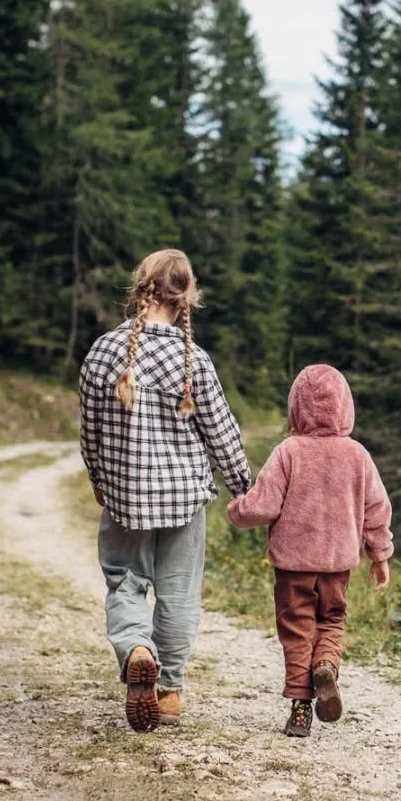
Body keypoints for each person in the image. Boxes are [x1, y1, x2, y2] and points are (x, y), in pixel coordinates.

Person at [78, 249, 251, 732]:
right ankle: (169, 692)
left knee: (125, 582)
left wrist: (99, 478)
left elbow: (89, 429)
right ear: (187, 297)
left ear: (140, 287)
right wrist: (244, 487)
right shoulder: (192, 360)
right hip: (184, 500)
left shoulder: (103, 352)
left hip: (124, 498)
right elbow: (221, 433)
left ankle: (136, 648)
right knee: (179, 594)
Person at [227, 364, 393, 737]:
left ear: (295, 408)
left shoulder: (288, 452)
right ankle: (327, 667)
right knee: (331, 620)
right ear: (345, 407)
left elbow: (262, 506)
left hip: (293, 567)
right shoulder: (358, 455)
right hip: (338, 563)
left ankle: (300, 709)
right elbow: (376, 509)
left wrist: (236, 510)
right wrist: (379, 554)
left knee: (296, 629)